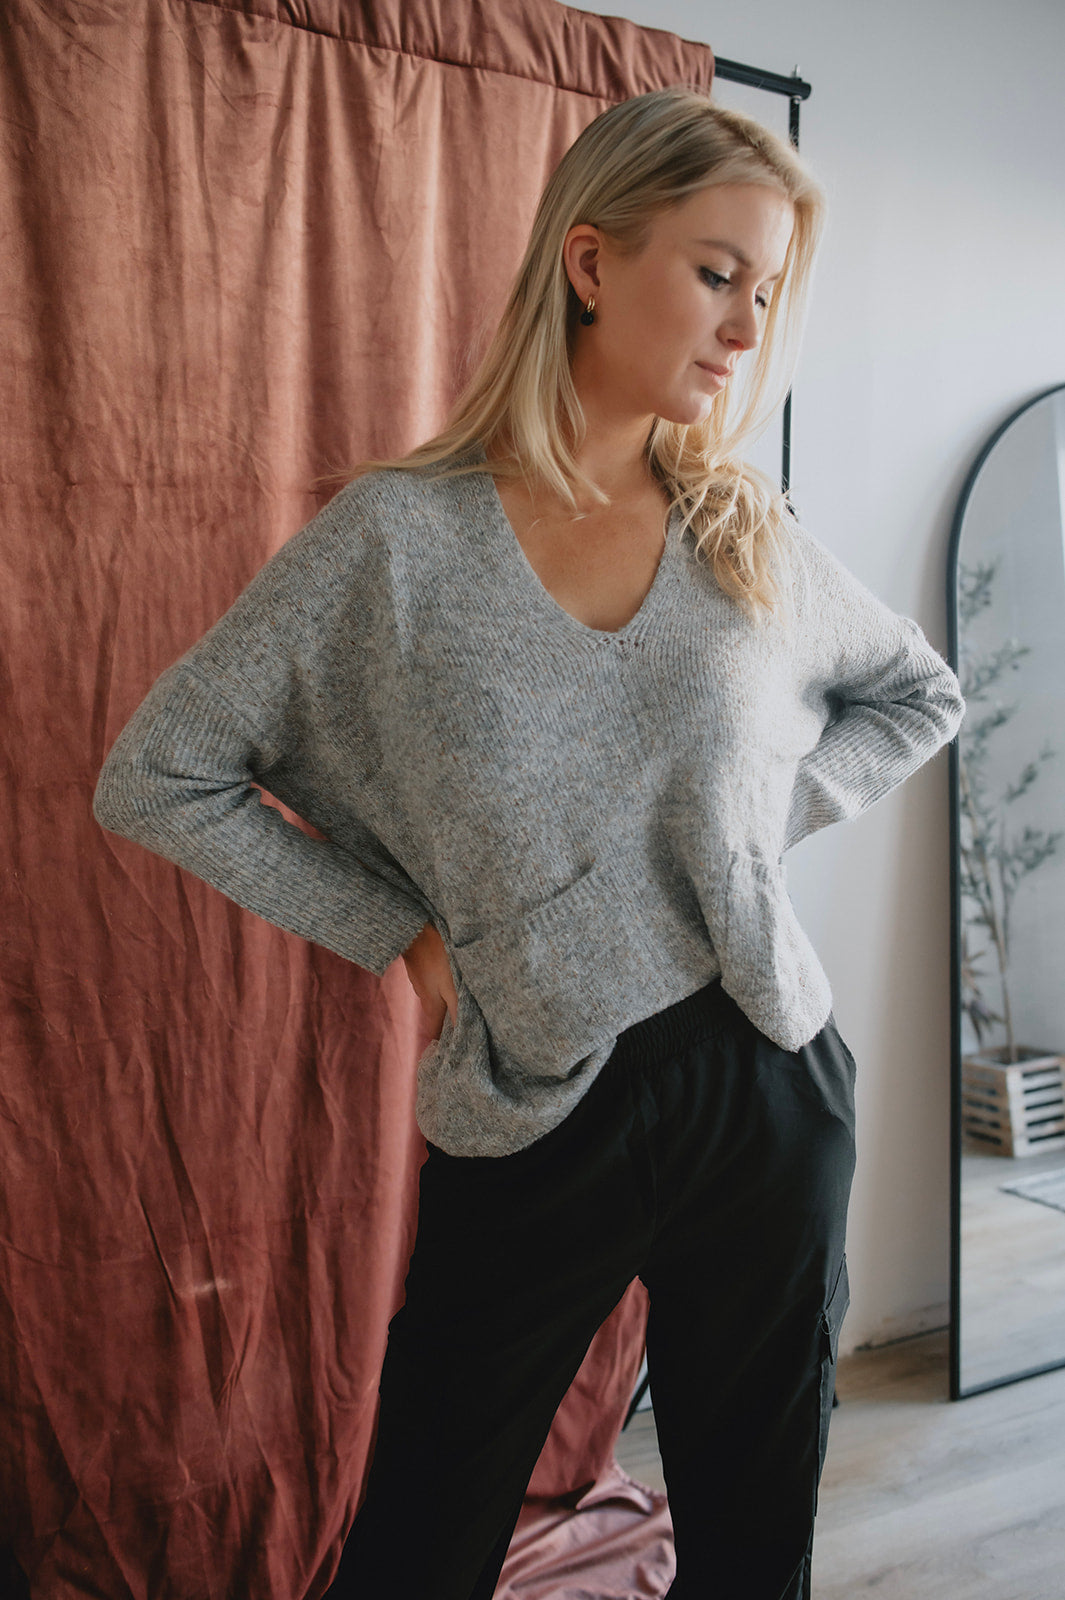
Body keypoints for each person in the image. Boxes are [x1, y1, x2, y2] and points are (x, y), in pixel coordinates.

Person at [94, 87, 964, 1600]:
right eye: (716, 273)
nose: (745, 327)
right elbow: (158, 774)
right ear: (588, 261)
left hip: (766, 1076)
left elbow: (919, 696)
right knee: (419, 1544)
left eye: (766, 292)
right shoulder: (396, 542)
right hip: (535, 1097)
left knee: (753, 1549)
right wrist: (397, 931)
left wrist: (754, 834)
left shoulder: (743, 531)